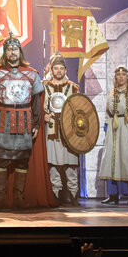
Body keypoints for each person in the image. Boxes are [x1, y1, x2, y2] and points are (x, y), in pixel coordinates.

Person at [0, 36, 55, 209]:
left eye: (15, 49)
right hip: (2, 120)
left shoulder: (32, 74)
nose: (12, 52)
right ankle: (1, 198)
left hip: (24, 121)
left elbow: (36, 102)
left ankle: (18, 197)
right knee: (0, 159)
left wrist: (36, 124)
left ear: (20, 52)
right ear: (5, 53)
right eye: (9, 49)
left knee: (22, 160)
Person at [100, 65, 128, 205]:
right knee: (112, 160)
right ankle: (113, 195)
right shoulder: (111, 93)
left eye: (123, 75)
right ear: (115, 77)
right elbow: (108, 114)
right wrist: (106, 129)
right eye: (118, 75)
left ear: (127, 77)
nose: (121, 77)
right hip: (114, 129)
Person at [43, 53, 80, 206]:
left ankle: (73, 194)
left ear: (65, 70)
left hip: (68, 132)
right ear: (51, 70)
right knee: (53, 164)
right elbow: (39, 107)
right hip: (51, 130)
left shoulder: (73, 88)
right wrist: (44, 115)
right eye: (56, 68)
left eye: (61, 68)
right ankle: (56, 195)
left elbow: (80, 109)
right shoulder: (44, 87)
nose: (58, 71)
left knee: (70, 164)